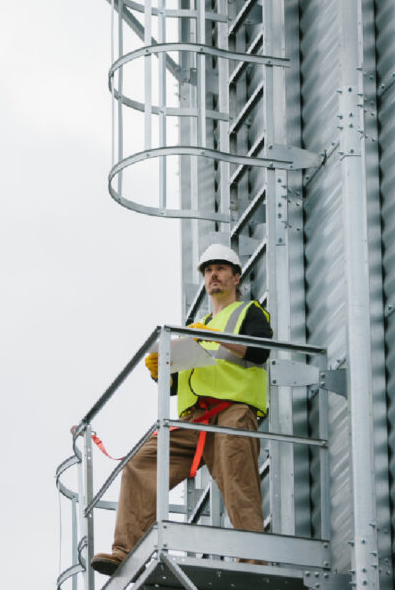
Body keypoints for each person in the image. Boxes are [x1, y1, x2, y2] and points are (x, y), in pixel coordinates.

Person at [90, 243, 273, 575]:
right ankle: (124, 551)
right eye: (207, 270)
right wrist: (161, 372)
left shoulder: (249, 313)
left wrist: (208, 338)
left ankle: (253, 560)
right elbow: (180, 384)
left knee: (237, 478)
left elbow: (259, 352)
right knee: (140, 464)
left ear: (235, 276)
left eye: (219, 268)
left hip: (232, 413)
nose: (212, 275)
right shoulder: (198, 325)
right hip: (193, 420)